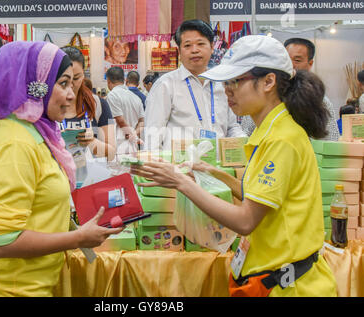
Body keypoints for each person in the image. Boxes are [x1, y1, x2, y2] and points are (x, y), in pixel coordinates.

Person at [131, 35, 337, 297]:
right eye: (226, 83)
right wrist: (212, 172)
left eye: (235, 81)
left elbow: (245, 220)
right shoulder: (272, 130)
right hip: (271, 278)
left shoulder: (281, 139)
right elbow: (259, 195)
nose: (227, 90)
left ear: (268, 82)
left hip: (290, 288)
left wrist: (180, 182)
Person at [0, 41, 123, 297]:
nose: (72, 94)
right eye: (62, 83)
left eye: (72, 83)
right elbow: (2, 242)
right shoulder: (16, 143)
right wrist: (78, 238)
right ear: (34, 87)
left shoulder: (37, 134)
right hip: (7, 288)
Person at [144, 19, 245, 151]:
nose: (194, 50)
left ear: (212, 46)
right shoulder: (166, 85)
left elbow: (231, 127)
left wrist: (244, 143)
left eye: (201, 44)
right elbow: (153, 134)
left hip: (218, 168)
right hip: (180, 169)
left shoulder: (221, 84)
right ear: (179, 51)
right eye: (187, 45)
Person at [241, 38, 340, 141]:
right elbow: (245, 133)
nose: (291, 64)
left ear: (310, 64)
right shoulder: (266, 95)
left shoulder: (320, 101)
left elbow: (331, 138)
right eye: (287, 58)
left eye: (297, 60)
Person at [61, 46, 116, 162]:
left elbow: (111, 153)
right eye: (65, 79)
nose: (71, 85)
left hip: (90, 177)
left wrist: (91, 142)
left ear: (83, 75)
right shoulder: (47, 106)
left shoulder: (98, 104)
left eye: (76, 78)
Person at [105, 66, 145, 155]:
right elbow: (142, 122)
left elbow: (120, 120)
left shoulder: (112, 95)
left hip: (118, 145)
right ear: (124, 80)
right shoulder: (136, 98)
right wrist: (134, 134)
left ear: (108, 81)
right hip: (133, 145)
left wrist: (130, 133)